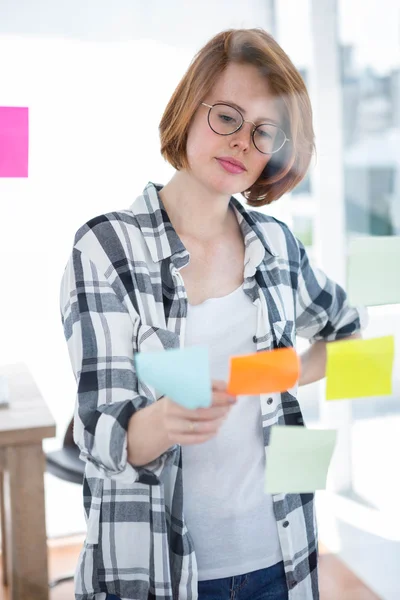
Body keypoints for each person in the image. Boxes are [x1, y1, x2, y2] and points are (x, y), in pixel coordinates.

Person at [60, 28, 363, 600]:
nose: (242, 143)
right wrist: (155, 424)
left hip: (283, 557)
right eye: (227, 116)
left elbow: (347, 336)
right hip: (154, 572)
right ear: (190, 107)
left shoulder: (275, 244)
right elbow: (96, 430)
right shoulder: (106, 247)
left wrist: (270, 372)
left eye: (263, 132)